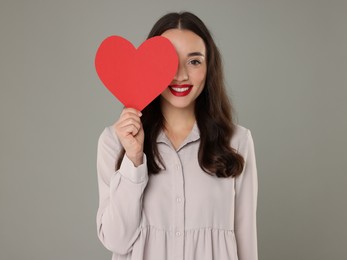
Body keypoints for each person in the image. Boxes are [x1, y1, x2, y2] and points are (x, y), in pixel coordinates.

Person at [96, 11, 258, 260]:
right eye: (169, 60)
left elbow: (245, 240)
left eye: (194, 61)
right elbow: (116, 240)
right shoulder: (114, 141)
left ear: (209, 67)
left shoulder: (238, 141)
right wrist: (134, 159)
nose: (181, 75)